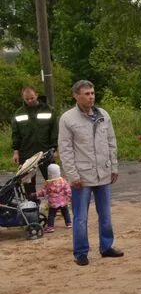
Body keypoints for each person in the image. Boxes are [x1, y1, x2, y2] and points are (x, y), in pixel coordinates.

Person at [58, 80, 122, 266]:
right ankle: (81, 252)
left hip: (103, 172)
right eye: (86, 94)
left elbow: (111, 142)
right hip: (82, 176)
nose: (91, 97)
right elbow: (66, 149)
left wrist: (114, 166)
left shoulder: (103, 115)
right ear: (76, 96)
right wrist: (72, 174)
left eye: (92, 93)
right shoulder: (67, 119)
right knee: (80, 217)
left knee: (106, 214)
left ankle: (107, 246)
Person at [11, 85, 58, 197]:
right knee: (28, 185)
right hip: (26, 153)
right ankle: (32, 209)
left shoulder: (49, 110)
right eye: (27, 99)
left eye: (32, 98)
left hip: (46, 152)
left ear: (36, 95)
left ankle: (57, 208)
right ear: (23, 98)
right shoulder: (19, 113)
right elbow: (16, 134)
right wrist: (16, 151)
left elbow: (54, 132)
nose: (30, 101)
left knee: (54, 182)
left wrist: (54, 149)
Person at [42, 163, 72, 233]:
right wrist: (68, 197)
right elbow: (68, 190)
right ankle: (68, 223)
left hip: (53, 203)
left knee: (51, 215)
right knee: (65, 212)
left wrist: (36, 194)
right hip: (63, 202)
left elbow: (44, 192)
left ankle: (50, 227)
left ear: (49, 173)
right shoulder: (63, 181)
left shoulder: (48, 183)